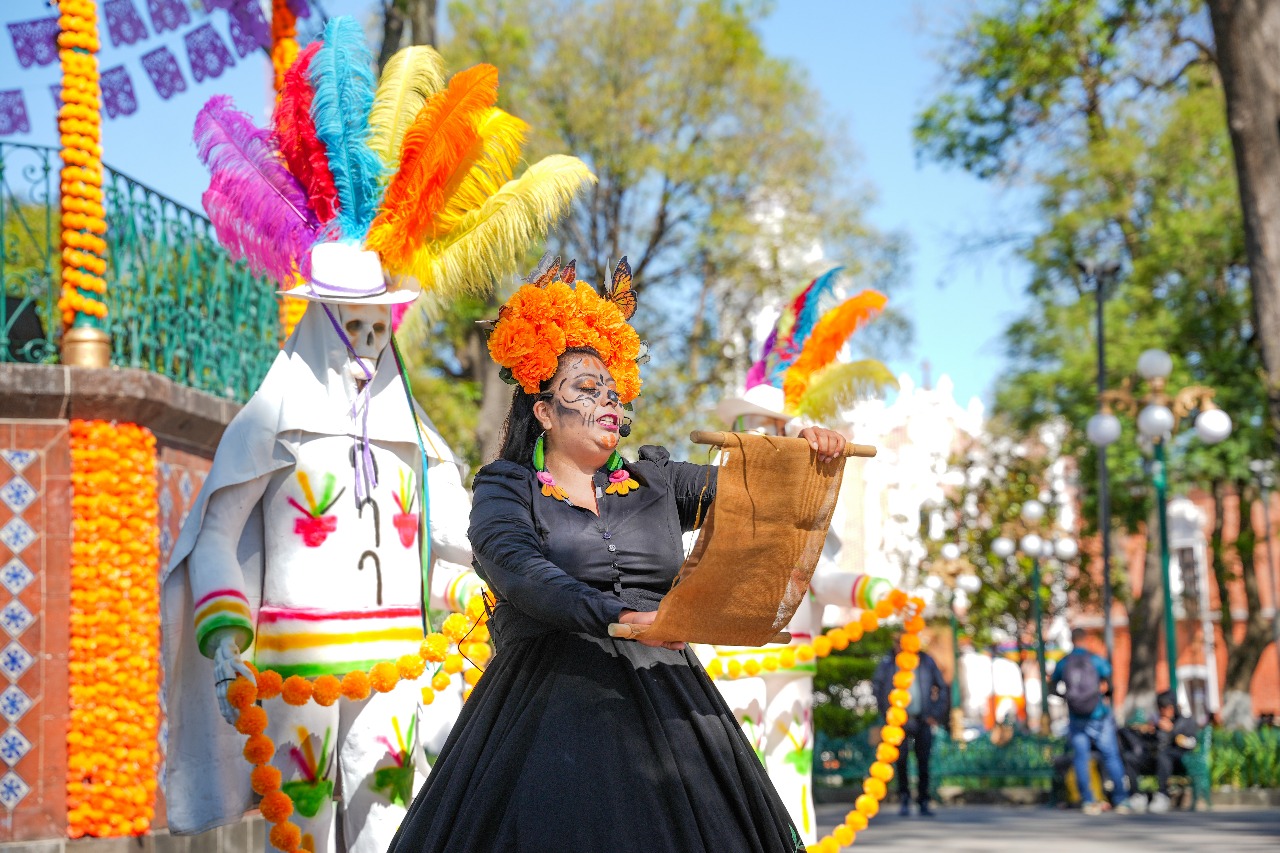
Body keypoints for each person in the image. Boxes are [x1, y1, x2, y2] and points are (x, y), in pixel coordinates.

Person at [388, 256, 849, 852]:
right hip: (544, 708)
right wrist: (620, 616)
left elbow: (754, 496)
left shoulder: (656, 480)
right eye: (584, 388)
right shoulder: (506, 487)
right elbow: (517, 568)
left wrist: (805, 455)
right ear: (545, 412)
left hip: (671, 702)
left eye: (611, 389)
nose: (607, 400)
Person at [1050, 627, 1131, 815]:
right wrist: (1104, 696)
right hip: (1098, 715)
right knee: (1111, 756)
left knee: (1081, 758)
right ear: (1085, 639)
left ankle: (1088, 800)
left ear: (1071, 640)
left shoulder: (1064, 662)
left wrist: (1067, 699)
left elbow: (1052, 686)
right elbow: (1110, 682)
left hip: (1076, 716)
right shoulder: (1095, 660)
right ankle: (1121, 800)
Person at [872, 635, 949, 816]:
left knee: (923, 761)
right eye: (898, 642)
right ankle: (904, 798)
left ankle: (923, 800)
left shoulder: (925, 660)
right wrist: (887, 713)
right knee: (901, 762)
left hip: (922, 719)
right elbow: (878, 687)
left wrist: (934, 713)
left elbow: (942, 687)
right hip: (898, 721)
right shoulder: (888, 661)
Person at [1121, 691, 1199, 813]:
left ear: (1173, 706)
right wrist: (1147, 732)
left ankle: (1162, 795)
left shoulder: (1185, 721)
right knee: (1130, 757)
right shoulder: (1156, 722)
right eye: (1161, 707)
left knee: (1164, 755)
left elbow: (1191, 743)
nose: (1164, 710)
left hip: (1178, 759)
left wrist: (1172, 731)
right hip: (1155, 759)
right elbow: (1149, 744)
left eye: (1167, 707)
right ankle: (1137, 795)